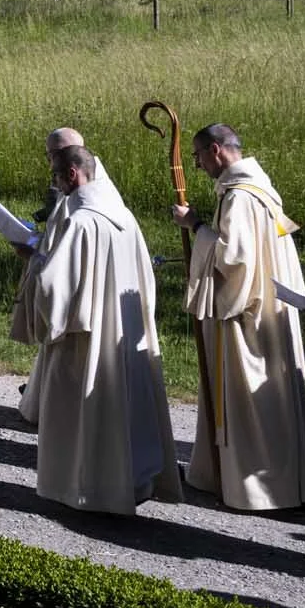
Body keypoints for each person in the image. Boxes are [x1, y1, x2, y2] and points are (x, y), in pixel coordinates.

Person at [174, 123, 305, 511]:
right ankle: (274, 479)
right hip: (274, 308)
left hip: (249, 316)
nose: (197, 164)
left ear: (216, 150)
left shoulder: (241, 197)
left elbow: (234, 259)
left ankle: (257, 486)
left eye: (198, 156)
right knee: (275, 398)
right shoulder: (262, 189)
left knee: (252, 401)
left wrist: (195, 225)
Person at [26, 145, 182, 514]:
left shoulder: (81, 222)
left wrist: (35, 264)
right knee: (124, 409)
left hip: (85, 337)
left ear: (73, 175)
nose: (56, 184)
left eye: (56, 176)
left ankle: (86, 488)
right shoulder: (123, 215)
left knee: (85, 413)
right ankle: (131, 482)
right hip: (124, 330)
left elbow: (53, 288)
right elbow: (144, 276)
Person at [12, 127, 104, 424]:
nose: (50, 165)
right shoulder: (88, 189)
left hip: (78, 297)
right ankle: (40, 397)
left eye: (53, 157)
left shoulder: (86, 200)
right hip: (76, 284)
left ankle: (58, 406)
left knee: (70, 355)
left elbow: (66, 260)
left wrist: (36, 257)